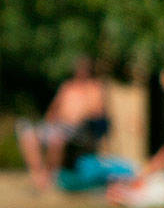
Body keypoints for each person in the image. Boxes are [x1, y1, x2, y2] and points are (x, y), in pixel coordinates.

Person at [17, 58, 109, 190]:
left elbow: (98, 112)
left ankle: (49, 178)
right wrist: (48, 121)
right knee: (28, 135)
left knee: (56, 139)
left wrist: (82, 112)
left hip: (80, 130)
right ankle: (38, 175)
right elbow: (53, 109)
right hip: (59, 125)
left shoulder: (95, 88)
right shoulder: (67, 87)